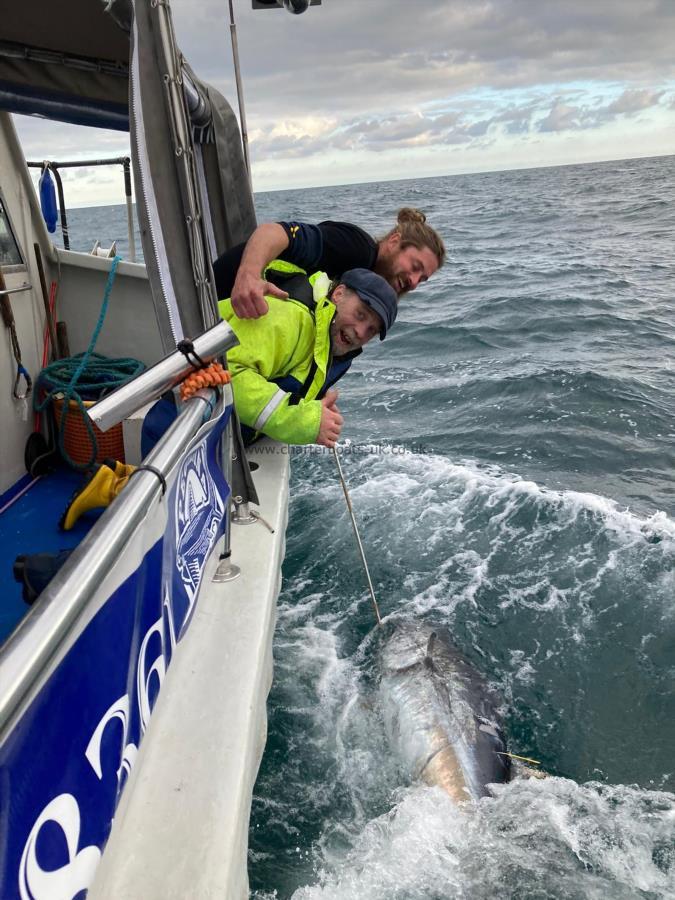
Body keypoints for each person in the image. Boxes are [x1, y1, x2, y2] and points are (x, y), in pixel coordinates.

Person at [218, 265, 397, 447]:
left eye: (371, 330)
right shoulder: (289, 317)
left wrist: (314, 405)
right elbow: (226, 374)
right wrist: (307, 421)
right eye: (360, 314)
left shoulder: (331, 344)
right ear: (338, 294)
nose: (360, 332)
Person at [212, 207, 445, 319]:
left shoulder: (366, 297)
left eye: (422, 279)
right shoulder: (357, 249)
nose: (414, 283)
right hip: (213, 302)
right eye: (416, 267)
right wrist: (249, 276)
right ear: (395, 241)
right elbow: (276, 231)